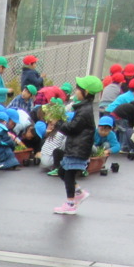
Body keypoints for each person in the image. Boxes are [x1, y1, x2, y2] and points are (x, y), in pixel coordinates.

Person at [50, 75, 101, 214]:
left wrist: (58, 123)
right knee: (62, 172)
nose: (76, 91)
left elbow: (72, 128)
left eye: (79, 89)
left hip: (78, 148)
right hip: (76, 146)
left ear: (86, 92)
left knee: (68, 175)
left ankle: (71, 203)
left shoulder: (84, 111)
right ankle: (79, 193)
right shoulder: (83, 108)